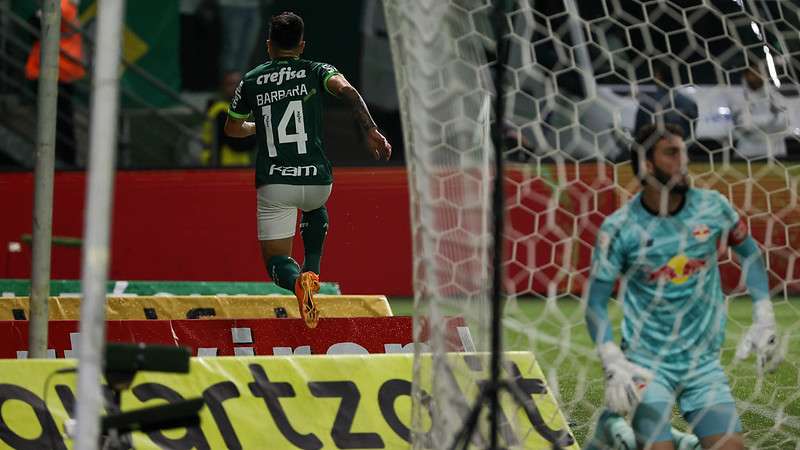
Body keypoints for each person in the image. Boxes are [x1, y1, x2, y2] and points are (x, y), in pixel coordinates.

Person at [583, 123, 783, 449]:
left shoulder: (713, 207)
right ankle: (619, 432)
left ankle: (639, 435)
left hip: (702, 364)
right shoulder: (619, 228)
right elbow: (595, 302)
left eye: (683, 151)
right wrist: (612, 359)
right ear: (647, 165)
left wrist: (764, 315)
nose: (683, 161)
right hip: (645, 365)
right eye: (671, 153)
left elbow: (750, 254)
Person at [224, 12, 391, 328]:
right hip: (316, 179)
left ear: (269, 45)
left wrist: (256, 125)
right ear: (301, 45)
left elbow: (232, 129)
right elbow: (348, 91)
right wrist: (370, 129)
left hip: (275, 183)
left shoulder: (251, 80)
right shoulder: (317, 70)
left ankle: (297, 282)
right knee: (315, 207)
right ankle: (312, 269)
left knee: (275, 261)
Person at [25, 0, 85, 167]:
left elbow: (35, 26)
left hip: (53, 70)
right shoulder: (69, 7)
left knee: (55, 119)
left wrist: (37, 15)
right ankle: (64, 158)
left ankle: (60, 159)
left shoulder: (60, 6)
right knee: (62, 119)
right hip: (62, 70)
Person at [729, 57, 788, 159]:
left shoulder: (776, 96)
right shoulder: (737, 98)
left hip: (775, 153)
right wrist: (772, 118)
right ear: (746, 75)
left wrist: (755, 121)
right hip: (746, 153)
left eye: (760, 72)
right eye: (753, 72)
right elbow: (744, 125)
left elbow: (783, 123)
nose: (757, 76)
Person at [634, 59, 698, 142]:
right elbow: (692, 133)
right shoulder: (690, 103)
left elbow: (639, 133)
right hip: (681, 147)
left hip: (655, 149)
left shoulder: (647, 103)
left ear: (658, 76)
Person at [201, 70, 256, 166]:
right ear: (223, 87)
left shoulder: (241, 109)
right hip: (222, 163)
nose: (235, 88)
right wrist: (259, 131)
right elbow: (236, 144)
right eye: (230, 84)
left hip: (239, 164)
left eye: (239, 84)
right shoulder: (220, 110)